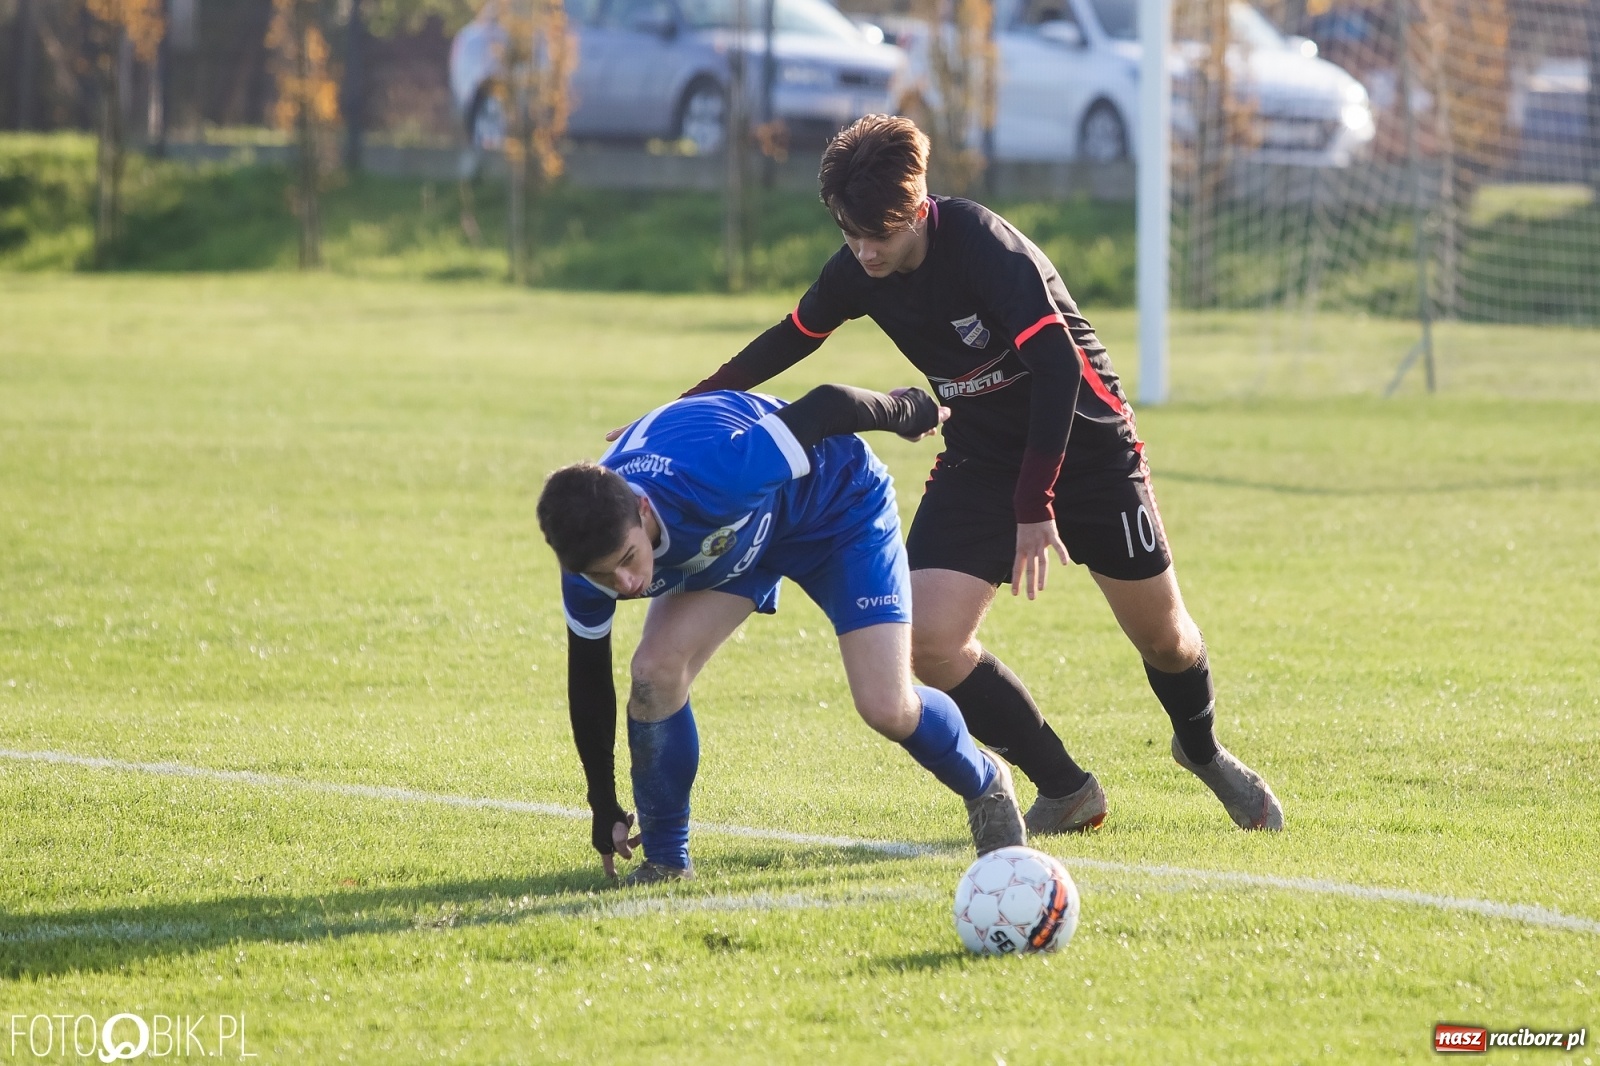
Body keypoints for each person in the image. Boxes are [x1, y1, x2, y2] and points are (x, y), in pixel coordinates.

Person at [637, 115, 1283, 833]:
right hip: (981, 454)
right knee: (927, 641)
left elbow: (1058, 367)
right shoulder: (859, 265)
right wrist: (685, 408)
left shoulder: (982, 245)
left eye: (877, 235)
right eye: (849, 234)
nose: (863, 251)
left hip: (1088, 444)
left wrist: (1036, 503)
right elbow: (793, 337)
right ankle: (1065, 788)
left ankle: (1202, 751)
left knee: (1164, 639)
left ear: (917, 211)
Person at [538, 384, 1029, 884]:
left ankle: (986, 781)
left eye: (628, 560)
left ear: (643, 512)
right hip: (737, 539)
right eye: (605, 576)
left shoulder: (715, 475)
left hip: (836, 507)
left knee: (886, 706)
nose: (625, 585)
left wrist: (906, 410)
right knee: (654, 673)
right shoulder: (588, 558)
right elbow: (589, 679)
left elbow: (827, 406)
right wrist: (602, 800)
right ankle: (666, 861)